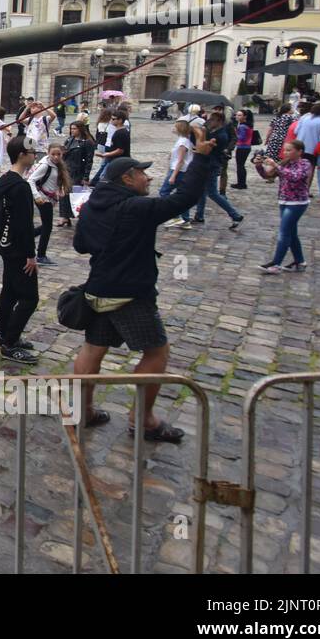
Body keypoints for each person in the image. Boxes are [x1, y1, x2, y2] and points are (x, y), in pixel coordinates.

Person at [72, 147, 213, 443]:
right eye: (143, 173)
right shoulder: (134, 209)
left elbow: (81, 245)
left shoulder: (91, 206)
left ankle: (82, 410)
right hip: (129, 295)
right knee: (156, 352)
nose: (148, 178)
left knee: (93, 348)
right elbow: (184, 199)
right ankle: (144, 420)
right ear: (127, 178)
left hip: (98, 288)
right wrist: (199, 158)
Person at [0, 135, 41, 364]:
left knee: (9, 292)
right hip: (18, 249)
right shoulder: (20, 186)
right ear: (22, 154)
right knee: (29, 298)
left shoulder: (4, 180)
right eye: (32, 152)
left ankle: (7, 335)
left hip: (5, 244)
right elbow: (24, 224)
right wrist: (31, 255)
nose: (35, 155)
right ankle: (9, 342)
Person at [252, 140, 313, 274]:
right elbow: (267, 175)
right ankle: (300, 261)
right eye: (285, 150)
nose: (285, 152)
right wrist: (259, 165)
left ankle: (276, 263)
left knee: (284, 233)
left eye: (289, 150)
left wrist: (276, 165)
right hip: (284, 201)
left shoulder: (305, 163)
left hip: (297, 203)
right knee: (292, 233)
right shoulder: (285, 164)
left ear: (299, 152)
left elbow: (295, 177)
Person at [191, 111, 244, 230]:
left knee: (212, 193)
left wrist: (201, 134)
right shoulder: (215, 131)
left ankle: (235, 214)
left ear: (219, 121)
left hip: (211, 165)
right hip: (208, 164)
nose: (210, 122)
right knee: (202, 191)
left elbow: (204, 147)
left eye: (213, 120)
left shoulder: (220, 135)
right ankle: (199, 215)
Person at [28, 142, 70, 265]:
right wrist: (37, 196)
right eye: (53, 154)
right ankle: (41, 255)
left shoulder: (57, 164)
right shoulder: (45, 165)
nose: (56, 157)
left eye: (59, 154)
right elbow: (31, 180)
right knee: (48, 226)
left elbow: (56, 180)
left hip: (49, 198)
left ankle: (25, 238)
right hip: (43, 199)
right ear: (48, 153)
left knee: (47, 226)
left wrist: (58, 192)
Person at [160, 119, 198, 228]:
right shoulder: (184, 140)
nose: (173, 128)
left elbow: (181, 161)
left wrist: (173, 175)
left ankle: (176, 216)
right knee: (182, 195)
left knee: (164, 192)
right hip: (182, 171)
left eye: (175, 126)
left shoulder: (183, 142)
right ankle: (185, 220)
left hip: (179, 171)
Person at [58, 121, 95, 226]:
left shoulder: (87, 142)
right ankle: (65, 216)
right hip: (67, 169)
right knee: (64, 193)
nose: (72, 131)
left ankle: (80, 215)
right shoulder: (70, 140)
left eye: (75, 129)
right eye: (71, 128)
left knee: (76, 194)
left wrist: (86, 176)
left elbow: (89, 160)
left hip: (79, 171)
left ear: (81, 129)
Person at [90, 109, 130, 185]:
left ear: (120, 120)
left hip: (118, 159)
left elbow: (120, 150)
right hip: (114, 159)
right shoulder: (118, 131)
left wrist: (105, 154)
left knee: (105, 177)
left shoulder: (121, 133)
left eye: (113, 119)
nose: (111, 121)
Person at [232, 109, 254, 189]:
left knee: (240, 166)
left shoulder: (242, 126)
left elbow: (241, 138)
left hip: (242, 147)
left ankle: (241, 184)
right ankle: (242, 183)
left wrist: (235, 133)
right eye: (237, 115)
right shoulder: (248, 124)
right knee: (241, 166)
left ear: (245, 116)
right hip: (247, 147)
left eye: (239, 115)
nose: (237, 116)